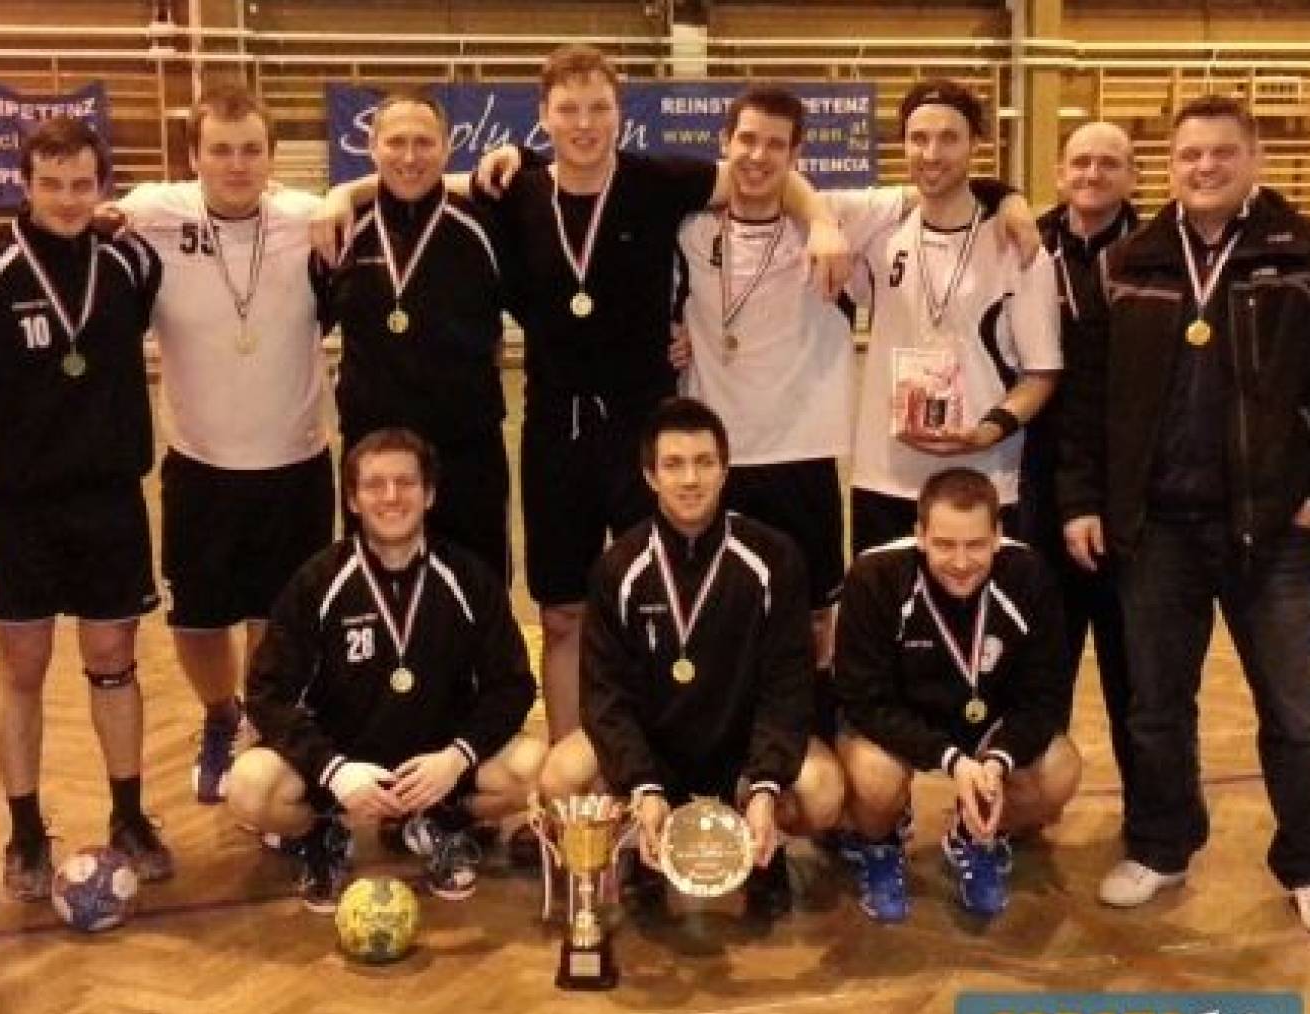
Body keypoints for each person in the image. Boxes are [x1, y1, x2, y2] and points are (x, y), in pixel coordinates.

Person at [455, 47, 850, 751]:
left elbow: (762, 171)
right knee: (564, 617)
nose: (584, 123)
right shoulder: (516, 188)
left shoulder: (660, 181)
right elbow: (417, 176)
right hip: (554, 434)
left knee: (663, 604)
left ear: (620, 112)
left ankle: (659, 761)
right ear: (543, 114)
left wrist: (819, 218)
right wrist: (341, 197)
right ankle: (572, 781)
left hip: (647, 433)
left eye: (598, 108)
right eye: (568, 109)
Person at [1059, 96, 1310, 936]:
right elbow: (1088, 397)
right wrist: (1083, 499)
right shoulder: (1132, 261)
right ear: (1170, 166)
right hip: (1158, 529)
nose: (1205, 167)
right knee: (1155, 703)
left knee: (1292, 709)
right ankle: (1161, 846)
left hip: (1275, 530)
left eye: (1223, 152)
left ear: (1255, 160)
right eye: (1190, 155)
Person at [674, 83, 1029, 735]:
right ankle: (725, 741)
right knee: (718, 611)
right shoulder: (690, 224)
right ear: (724, 144)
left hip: (804, 453)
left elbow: (945, 180)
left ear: (797, 155)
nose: (758, 156)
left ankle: (814, 740)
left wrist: (1013, 201)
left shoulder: (846, 214)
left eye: (776, 145)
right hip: (715, 459)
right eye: (746, 140)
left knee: (816, 617)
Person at [0, 118, 167, 895]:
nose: (68, 200)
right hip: (17, 510)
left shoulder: (130, 261)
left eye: (82, 185)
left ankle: (130, 816)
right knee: (22, 667)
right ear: (25, 184)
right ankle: (22, 832)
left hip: (110, 501)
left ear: (102, 186)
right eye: (52, 185)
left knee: (112, 659)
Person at [116, 85, 335, 806]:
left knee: (279, 619)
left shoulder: (309, 218)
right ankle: (220, 716)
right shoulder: (153, 214)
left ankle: (270, 731)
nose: (236, 164)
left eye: (250, 150)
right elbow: (70, 211)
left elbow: (406, 182)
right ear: (194, 157)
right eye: (220, 150)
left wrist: (349, 193)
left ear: (272, 157)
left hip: (296, 463)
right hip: (200, 466)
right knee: (198, 620)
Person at [544, 397, 845, 919]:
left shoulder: (774, 559)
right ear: (650, 476)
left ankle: (760, 846)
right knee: (560, 777)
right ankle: (643, 843)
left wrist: (765, 783)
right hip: (654, 746)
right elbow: (604, 696)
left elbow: (789, 687)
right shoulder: (618, 568)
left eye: (704, 463)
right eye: (674, 464)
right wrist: (642, 783)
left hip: (742, 750)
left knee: (823, 791)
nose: (690, 479)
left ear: (725, 471)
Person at [229, 429, 544, 911]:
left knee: (536, 769)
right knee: (249, 787)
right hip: (343, 764)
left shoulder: (468, 578)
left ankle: (441, 822)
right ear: (352, 500)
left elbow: (513, 686)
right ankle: (322, 834)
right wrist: (333, 770)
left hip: (437, 766)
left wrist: (457, 757)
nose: (391, 497)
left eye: (406, 482)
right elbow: (266, 692)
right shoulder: (318, 582)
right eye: (375, 485)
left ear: (429, 494)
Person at [833, 468, 1082, 921]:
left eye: (976, 545)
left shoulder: (1029, 575)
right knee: (872, 777)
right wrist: (950, 760)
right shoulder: (874, 577)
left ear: (998, 536)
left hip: (986, 726)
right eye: (945, 545)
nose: (961, 562)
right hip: (901, 724)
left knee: (1059, 769)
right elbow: (864, 700)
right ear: (920, 535)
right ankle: (881, 842)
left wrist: (997, 761)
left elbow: (1045, 697)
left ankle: (975, 834)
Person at [847, 79, 1062, 553]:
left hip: (983, 478)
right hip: (884, 478)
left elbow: (1042, 374)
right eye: (918, 138)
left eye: (948, 138)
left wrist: (989, 431)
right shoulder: (879, 232)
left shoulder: (1018, 246)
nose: (931, 153)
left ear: (975, 145)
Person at [329, 91, 511, 578]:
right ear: (372, 147)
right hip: (373, 455)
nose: (410, 157)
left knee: (478, 590)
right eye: (396, 142)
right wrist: (340, 195)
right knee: (375, 592)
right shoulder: (342, 228)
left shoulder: (485, 225)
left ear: (447, 149)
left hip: (466, 454)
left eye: (424, 142)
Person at [1022, 121, 1137, 810]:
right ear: (1060, 173)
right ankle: (1033, 805)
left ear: (1132, 177)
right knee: (1043, 661)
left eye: (1109, 163)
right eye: (1081, 162)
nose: (1093, 175)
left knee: (1136, 671)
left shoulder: (1156, 254)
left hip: (1128, 491)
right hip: (1038, 483)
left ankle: (1150, 818)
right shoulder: (1021, 243)